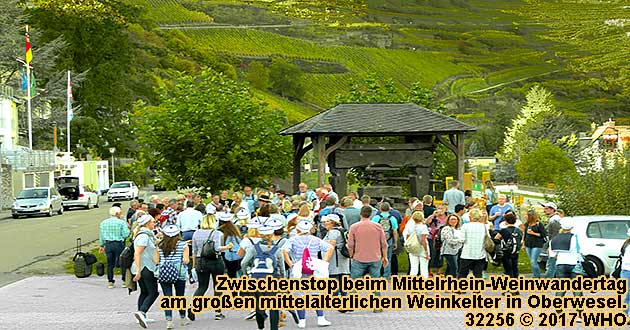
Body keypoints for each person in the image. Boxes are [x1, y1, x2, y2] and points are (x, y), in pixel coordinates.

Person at [282, 219, 333, 328]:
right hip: (313, 268)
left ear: (297, 229)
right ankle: (320, 318)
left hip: (298, 269)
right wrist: (324, 262)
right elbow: (330, 248)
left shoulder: (292, 240)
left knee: (299, 295)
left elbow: (284, 251)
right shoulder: (316, 240)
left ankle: (302, 320)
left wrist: (290, 264)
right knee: (316, 294)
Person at [190, 213, 233, 321]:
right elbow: (217, 248)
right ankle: (218, 312)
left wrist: (194, 265)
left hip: (201, 261)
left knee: (202, 286)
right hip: (215, 261)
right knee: (218, 286)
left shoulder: (196, 233)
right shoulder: (217, 233)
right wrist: (227, 247)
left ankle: (193, 307)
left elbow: (194, 251)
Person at [242, 224, 286, 330]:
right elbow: (282, 268)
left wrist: (247, 274)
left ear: (260, 234)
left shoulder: (253, 248)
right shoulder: (277, 249)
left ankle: (261, 325)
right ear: (272, 234)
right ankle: (273, 328)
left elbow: (244, 263)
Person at [348, 206, 388, 313]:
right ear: (371, 214)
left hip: (359, 257)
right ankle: (377, 305)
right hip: (375, 257)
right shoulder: (378, 226)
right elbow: (384, 244)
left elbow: (350, 244)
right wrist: (385, 256)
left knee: (354, 281)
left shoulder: (354, 227)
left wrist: (351, 255)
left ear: (360, 214)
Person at [548, 217, 583, 323]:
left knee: (561, 288)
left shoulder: (554, 239)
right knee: (577, 290)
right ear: (572, 227)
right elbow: (582, 250)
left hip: (561, 265)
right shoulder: (576, 238)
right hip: (574, 265)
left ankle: (559, 311)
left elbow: (553, 255)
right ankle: (579, 315)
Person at [157, 225, 190, 329]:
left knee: (168, 296)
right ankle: (183, 318)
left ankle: (169, 320)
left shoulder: (159, 245)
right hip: (179, 272)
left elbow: (156, 261)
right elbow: (186, 260)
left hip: (164, 271)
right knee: (180, 295)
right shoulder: (183, 244)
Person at [132, 215, 159, 328]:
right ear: (147, 223)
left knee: (144, 292)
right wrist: (138, 271)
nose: (154, 223)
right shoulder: (144, 236)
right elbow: (137, 253)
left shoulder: (147, 235)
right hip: (146, 268)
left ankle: (141, 315)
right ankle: (142, 312)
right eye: (153, 222)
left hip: (143, 267)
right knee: (153, 292)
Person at [99, 206, 130, 288]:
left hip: (108, 244)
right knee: (122, 262)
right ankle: (124, 280)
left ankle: (110, 281)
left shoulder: (103, 223)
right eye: (120, 213)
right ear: (117, 213)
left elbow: (102, 235)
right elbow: (125, 234)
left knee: (110, 263)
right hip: (118, 243)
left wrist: (101, 245)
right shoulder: (121, 223)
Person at [322, 214, 350, 301]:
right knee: (342, 278)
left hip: (335, 260)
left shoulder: (333, 232)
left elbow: (331, 246)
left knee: (334, 278)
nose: (325, 223)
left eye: (327, 221)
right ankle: (344, 297)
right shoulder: (342, 230)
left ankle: (335, 298)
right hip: (342, 259)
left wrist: (325, 260)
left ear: (333, 222)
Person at [494, 212, 523, 287]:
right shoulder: (518, 230)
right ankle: (516, 287)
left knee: (508, 270)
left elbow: (496, 238)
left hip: (506, 252)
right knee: (515, 269)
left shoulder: (504, 230)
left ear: (506, 221)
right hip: (515, 252)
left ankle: (510, 287)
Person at [371, 202, 399, 279]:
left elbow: (372, 230)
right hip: (388, 239)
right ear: (389, 209)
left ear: (380, 209)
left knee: (377, 257)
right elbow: (395, 231)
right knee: (388, 257)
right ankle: (386, 275)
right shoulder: (392, 218)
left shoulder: (376, 218)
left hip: (377, 240)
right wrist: (395, 242)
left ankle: (377, 274)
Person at [458, 209, 487, 279]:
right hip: (480, 253)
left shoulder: (465, 226)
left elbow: (461, 239)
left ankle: (461, 289)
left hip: (467, 253)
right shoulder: (483, 226)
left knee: (463, 274)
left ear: (470, 217)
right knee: (478, 274)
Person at [403, 211, 430, 277]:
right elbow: (423, 240)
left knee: (413, 267)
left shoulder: (410, 226)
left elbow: (407, 237)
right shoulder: (423, 227)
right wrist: (426, 252)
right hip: (422, 247)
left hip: (413, 247)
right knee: (424, 267)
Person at [523, 209, 547, 278]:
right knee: (532, 261)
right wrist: (523, 244)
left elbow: (543, 234)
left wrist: (533, 233)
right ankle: (535, 273)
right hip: (528, 244)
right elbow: (524, 235)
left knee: (533, 261)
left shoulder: (539, 224)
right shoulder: (527, 224)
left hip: (537, 244)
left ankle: (536, 276)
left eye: (526, 215)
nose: (525, 216)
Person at [219, 212, 243, 279]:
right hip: (238, 254)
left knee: (231, 274)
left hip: (227, 255)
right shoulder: (235, 229)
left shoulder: (220, 231)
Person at [542, 201, 561, 278]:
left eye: (546, 208)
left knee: (552, 262)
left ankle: (548, 278)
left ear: (552, 210)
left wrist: (551, 246)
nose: (544, 210)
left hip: (555, 244)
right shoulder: (553, 218)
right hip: (554, 244)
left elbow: (555, 234)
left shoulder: (554, 220)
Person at [425, 204, 447, 275]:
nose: (440, 210)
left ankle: (439, 270)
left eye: (442, 208)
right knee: (432, 253)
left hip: (443, 238)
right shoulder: (433, 217)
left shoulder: (447, 217)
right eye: (439, 208)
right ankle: (429, 270)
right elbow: (426, 222)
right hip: (432, 237)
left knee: (440, 254)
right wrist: (433, 215)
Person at [440, 214, 464, 278]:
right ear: (448, 220)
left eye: (455, 219)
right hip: (448, 251)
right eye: (452, 219)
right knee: (454, 268)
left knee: (449, 268)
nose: (453, 221)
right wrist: (459, 240)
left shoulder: (458, 229)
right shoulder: (446, 229)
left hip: (456, 251)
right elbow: (449, 240)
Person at [620, 229, 630, 320]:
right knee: (628, 294)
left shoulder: (626, 244)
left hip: (625, 271)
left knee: (628, 295)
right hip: (627, 271)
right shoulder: (626, 245)